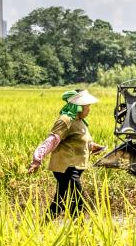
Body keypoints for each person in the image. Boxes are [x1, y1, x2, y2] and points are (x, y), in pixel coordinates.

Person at [27, 89, 105, 217]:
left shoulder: (80, 122)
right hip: (66, 168)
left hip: (76, 168)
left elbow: (77, 141)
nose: (89, 109)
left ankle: (43, 225)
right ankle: (79, 228)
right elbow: (52, 140)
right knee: (78, 201)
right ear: (78, 106)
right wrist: (37, 159)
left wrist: (93, 147)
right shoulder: (65, 120)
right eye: (87, 106)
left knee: (59, 202)